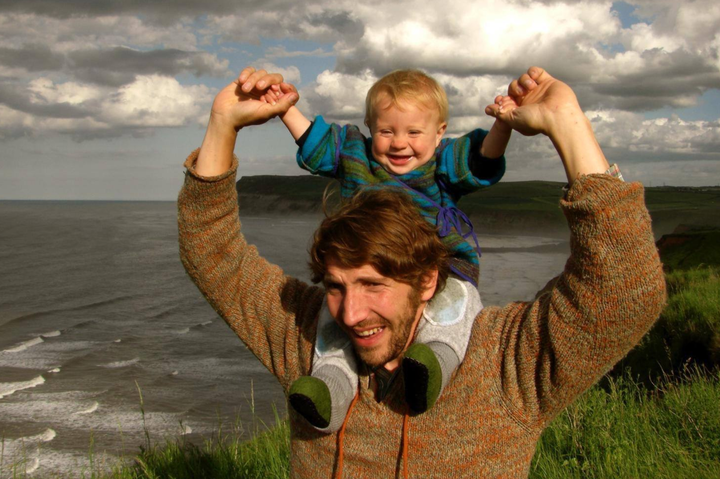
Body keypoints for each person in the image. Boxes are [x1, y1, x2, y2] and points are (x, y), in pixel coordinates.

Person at [178, 66, 666, 478]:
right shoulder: (304, 339)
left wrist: (567, 123)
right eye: (334, 285)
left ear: (428, 281)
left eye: (373, 284)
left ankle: (434, 360)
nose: (350, 313)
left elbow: (623, 289)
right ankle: (333, 384)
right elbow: (212, 253)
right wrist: (224, 122)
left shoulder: (502, 366)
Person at [261, 70, 512, 432]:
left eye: (414, 132)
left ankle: (434, 362)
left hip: (440, 261)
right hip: (367, 265)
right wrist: (285, 109)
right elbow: (316, 144)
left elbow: (482, 160)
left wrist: (503, 127)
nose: (399, 144)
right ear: (369, 126)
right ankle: (330, 386)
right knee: (338, 316)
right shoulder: (355, 155)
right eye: (386, 131)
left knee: (457, 301)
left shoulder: (443, 164)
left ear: (439, 133)